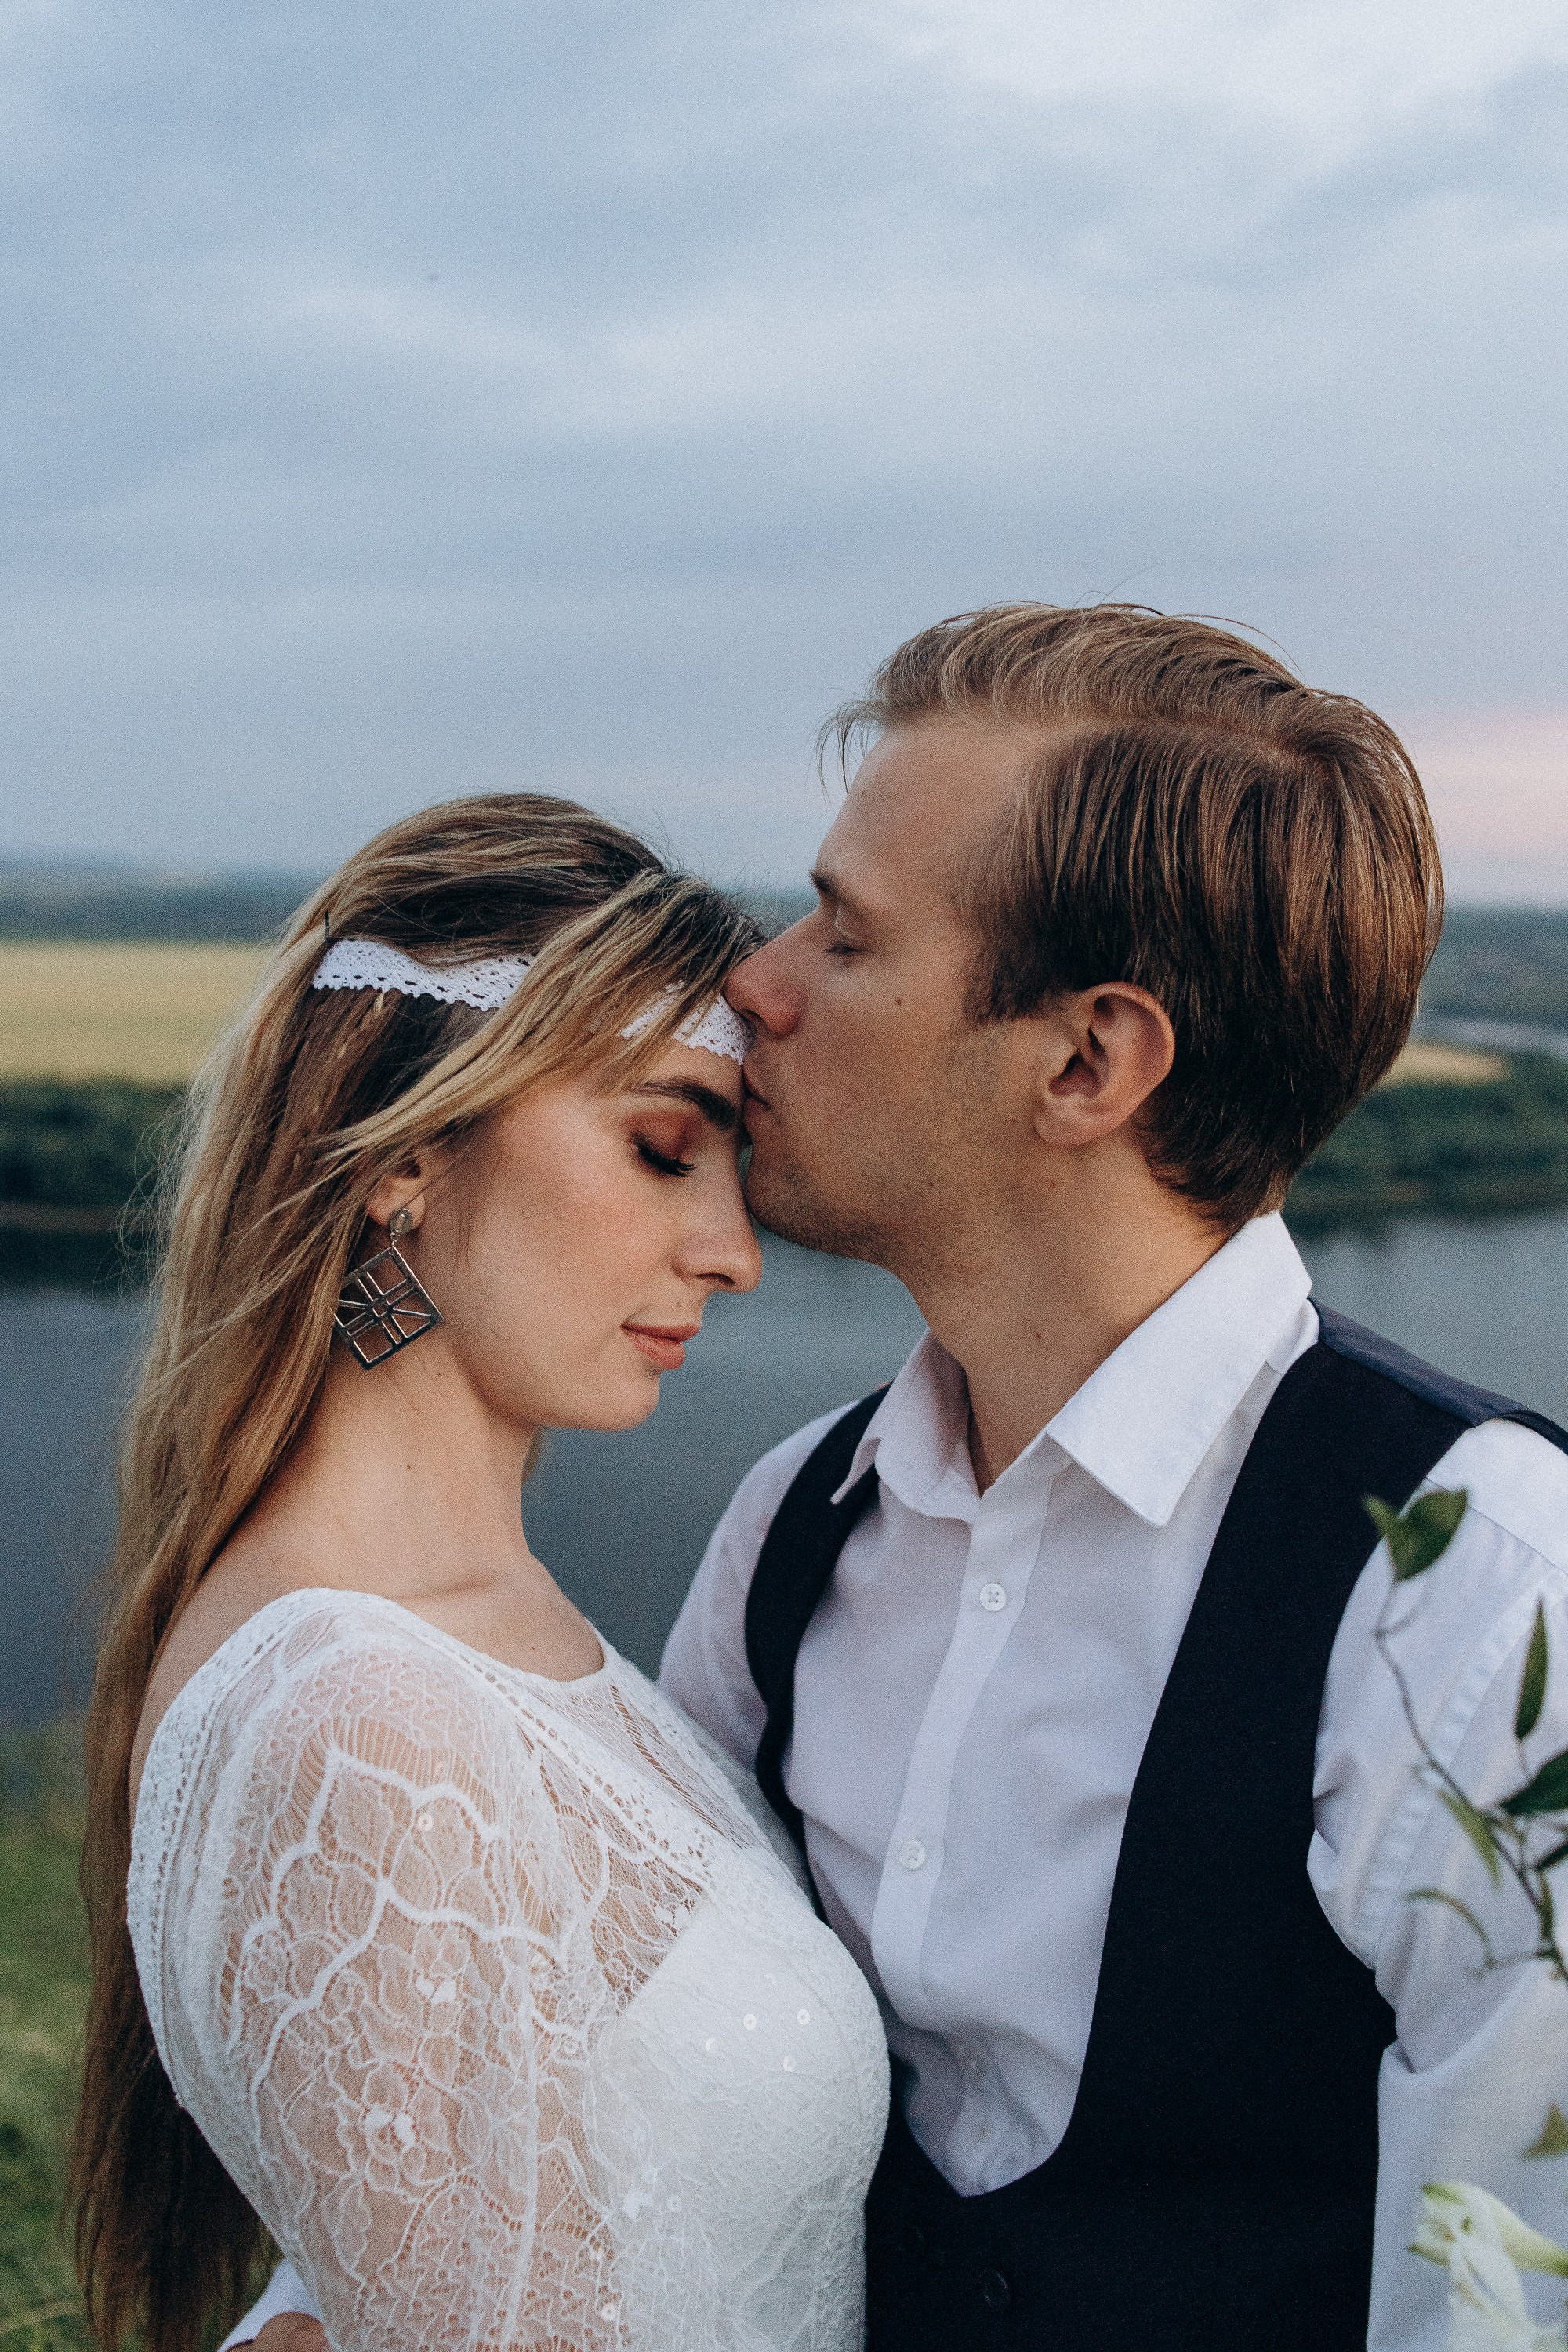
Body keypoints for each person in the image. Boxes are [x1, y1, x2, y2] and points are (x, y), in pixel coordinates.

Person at [236, 600, 1568, 2352]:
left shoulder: (1480, 1595)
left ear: (1086, 1062)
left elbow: (1507, 2301)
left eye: (847, 937)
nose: (755, 984)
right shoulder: (795, 1528)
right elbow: (587, 2057)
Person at [71, 795, 889, 2352]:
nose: (733, 1250)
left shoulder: (489, 1627)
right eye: (661, 1149)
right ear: (407, 1156)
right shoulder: (358, 1723)